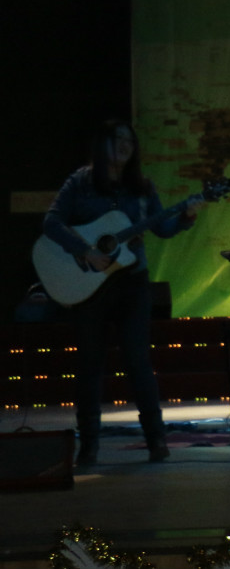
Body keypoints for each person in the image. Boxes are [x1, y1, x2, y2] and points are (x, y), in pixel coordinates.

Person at [41, 120, 204, 466]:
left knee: (138, 361)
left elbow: (162, 228)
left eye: (130, 140)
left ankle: (156, 440)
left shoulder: (142, 187)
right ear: (102, 143)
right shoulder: (80, 181)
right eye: (118, 138)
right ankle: (88, 445)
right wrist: (86, 251)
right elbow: (51, 223)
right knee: (89, 364)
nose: (125, 144)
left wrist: (186, 216)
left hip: (132, 284)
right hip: (89, 289)